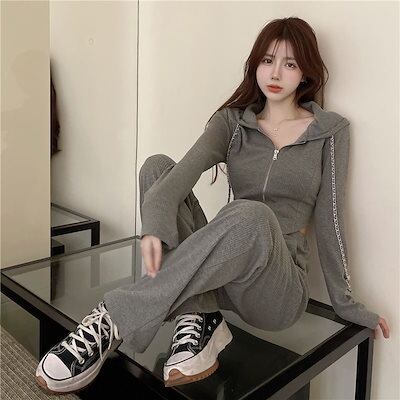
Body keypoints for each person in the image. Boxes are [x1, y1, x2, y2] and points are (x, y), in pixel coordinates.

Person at [35, 16, 390, 394]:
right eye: (267, 60)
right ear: (255, 64)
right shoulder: (233, 123)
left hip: (277, 289)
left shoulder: (330, 131)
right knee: (157, 167)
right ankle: (199, 315)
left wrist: (346, 303)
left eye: (290, 64)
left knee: (252, 214)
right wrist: (153, 227)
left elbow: (331, 219)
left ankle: (113, 318)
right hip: (226, 272)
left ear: (305, 73)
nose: (275, 73)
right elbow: (175, 180)